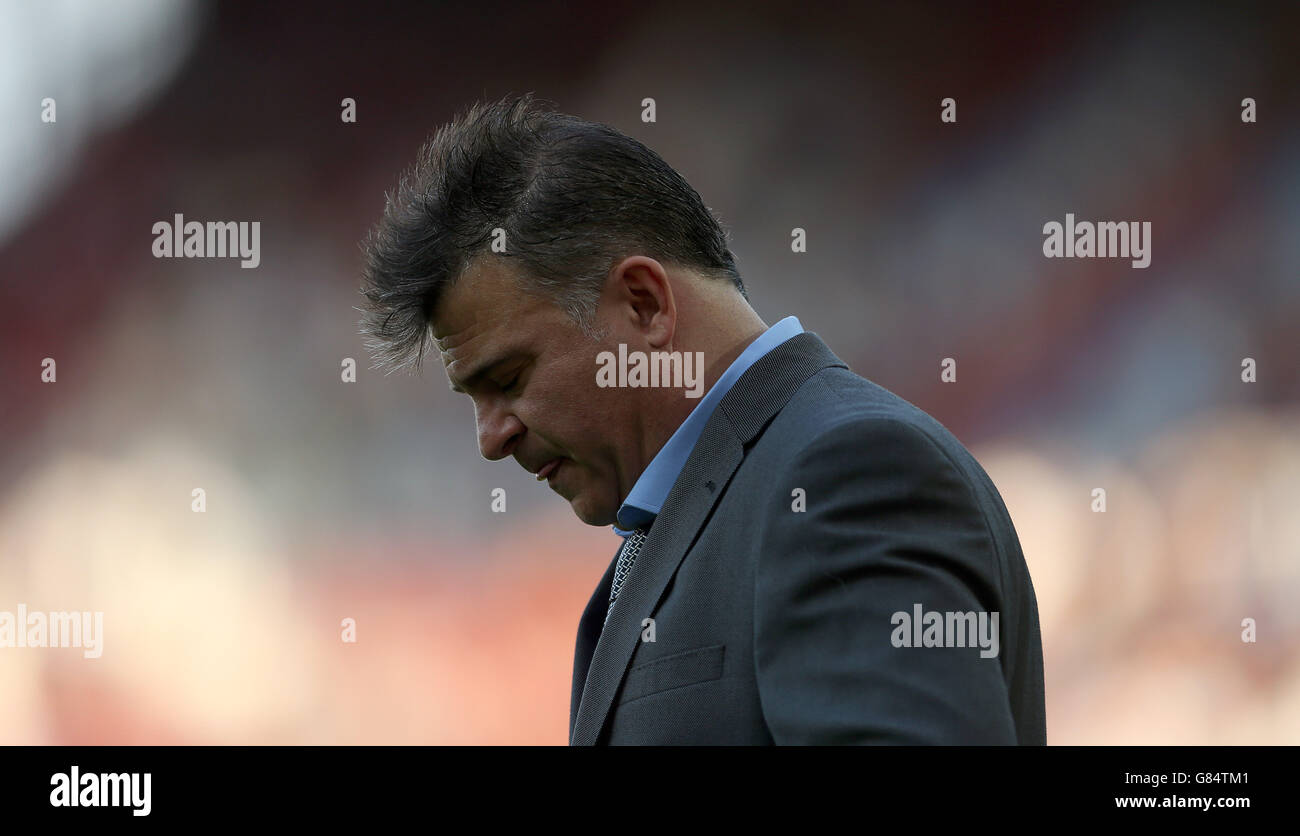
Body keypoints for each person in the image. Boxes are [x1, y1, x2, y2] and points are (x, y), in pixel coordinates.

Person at [359, 93, 1046, 745]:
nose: (490, 439)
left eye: (508, 379)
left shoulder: (846, 475)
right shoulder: (693, 517)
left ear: (645, 303)